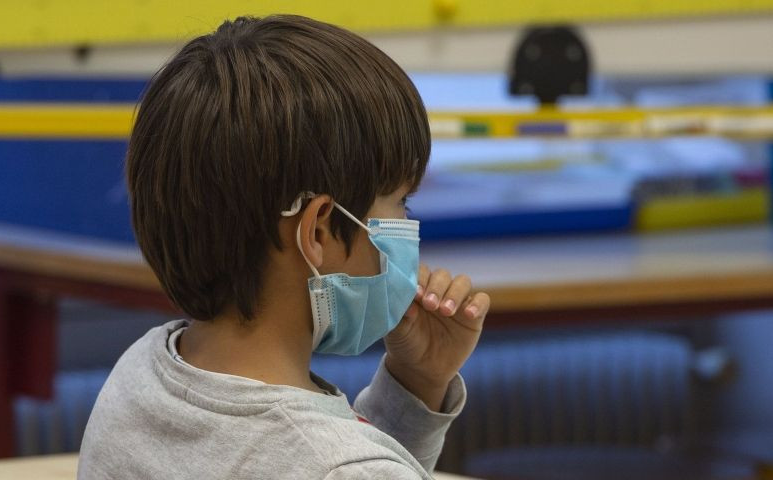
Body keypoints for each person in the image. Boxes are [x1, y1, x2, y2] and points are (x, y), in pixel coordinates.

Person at [78, 14, 491, 479]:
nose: (407, 225)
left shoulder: (143, 375)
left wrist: (417, 381)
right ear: (316, 231)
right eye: (400, 203)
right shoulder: (341, 467)